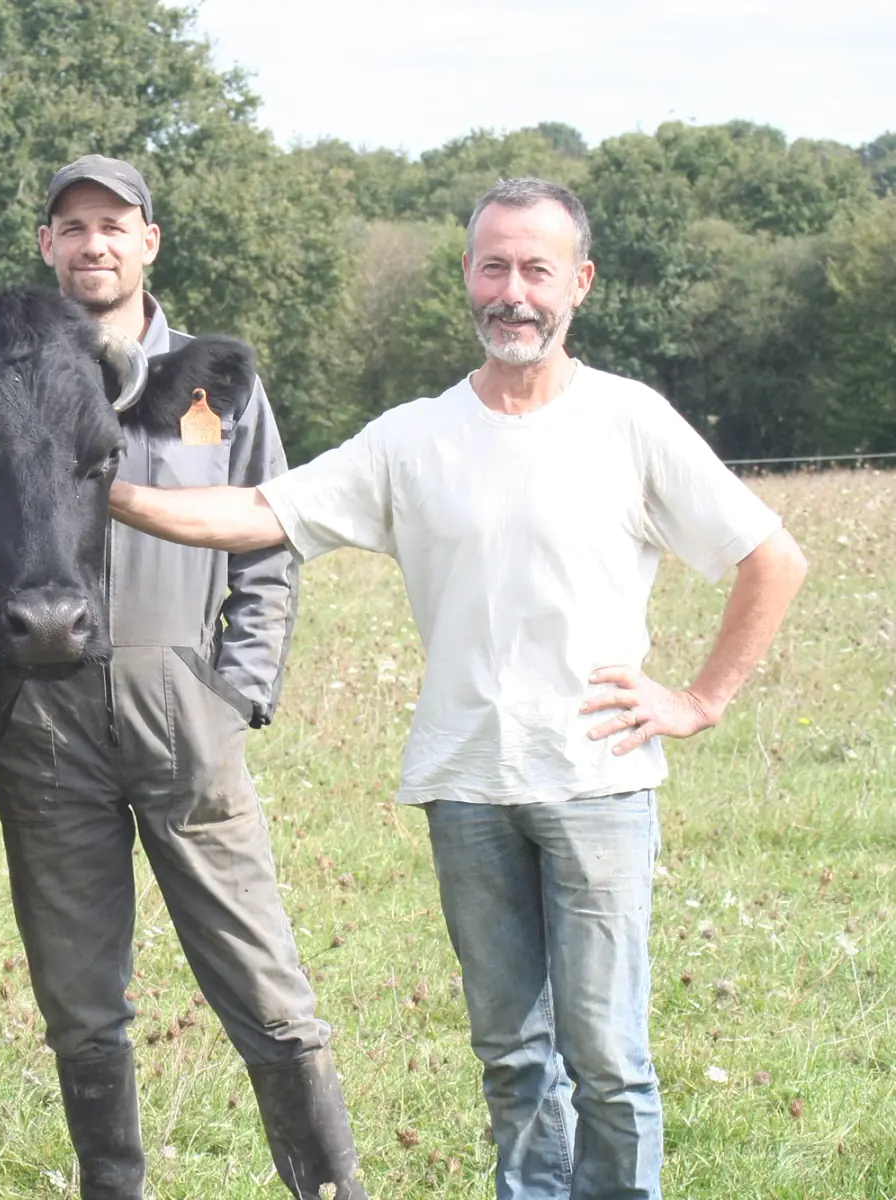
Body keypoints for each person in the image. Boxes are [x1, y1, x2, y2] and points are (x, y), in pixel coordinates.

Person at [108, 177, 809, 1200]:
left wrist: (699, 700)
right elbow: (255, 512)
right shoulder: (412, 438)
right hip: (466, 786)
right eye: (494, 266)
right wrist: (102, 487)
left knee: (608, 1062)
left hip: (598, 784)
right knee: (514, 1058)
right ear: (467, 279)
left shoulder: (630, 421)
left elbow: (772, 557)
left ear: (580, 281)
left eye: (536, 268)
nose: (513, 291)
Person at [0, 155, 366, 1199]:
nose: (93, 243)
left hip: (183, 708)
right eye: (72, 226)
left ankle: (330, 1189)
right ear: (46, 246)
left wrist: (236, 688)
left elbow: (272, 539)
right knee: (77, 997)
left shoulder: (213, 382)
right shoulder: (3, 376)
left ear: (150, 241)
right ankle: (114, 1188)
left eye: (114, 225)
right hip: (43, 727)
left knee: (265, 982)